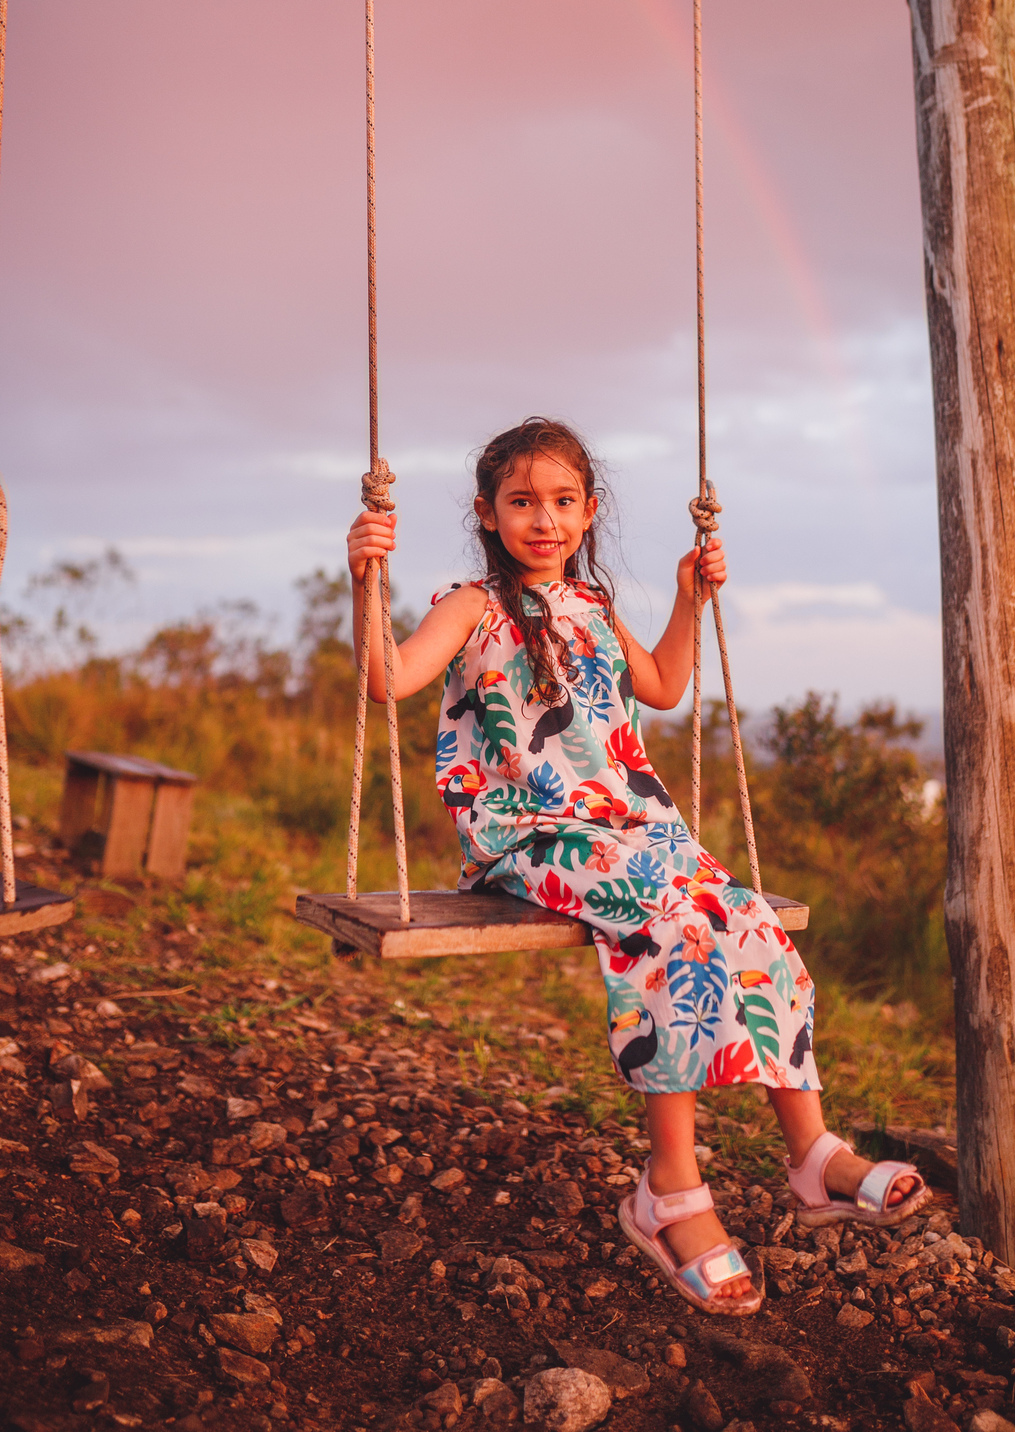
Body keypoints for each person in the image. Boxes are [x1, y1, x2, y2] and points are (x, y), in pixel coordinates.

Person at [348, 417, 927, 1317]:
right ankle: (671, 1191)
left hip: (633, 824)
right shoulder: (473, 605)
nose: (544, 519)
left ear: (588, 513)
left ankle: (812, 1154)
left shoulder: (594, 608)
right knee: (668, 924)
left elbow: (660, 686)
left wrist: (688, 601)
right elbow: (388, 677)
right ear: (487, 513)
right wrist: (364, 580)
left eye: (564, 502)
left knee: (742, 914)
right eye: (522, 502)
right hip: (534, 831)